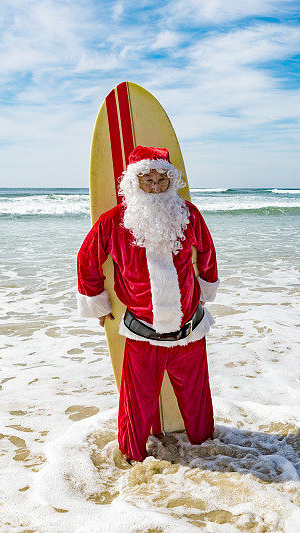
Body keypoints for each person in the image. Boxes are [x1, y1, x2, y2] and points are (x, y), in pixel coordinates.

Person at [76, 146, 219, 461]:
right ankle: (132, 463)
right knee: (136, 405)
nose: (155, 187)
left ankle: (209, 455)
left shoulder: (188, 214)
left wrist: (207, 290)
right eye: (147, 180)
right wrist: (99, 306)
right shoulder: (113, 222)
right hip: (143, 332)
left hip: (189, 329)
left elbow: (207, 254)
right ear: (133, 182)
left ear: (171, 180)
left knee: (197, 402)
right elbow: (87, 261)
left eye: (161, 180)